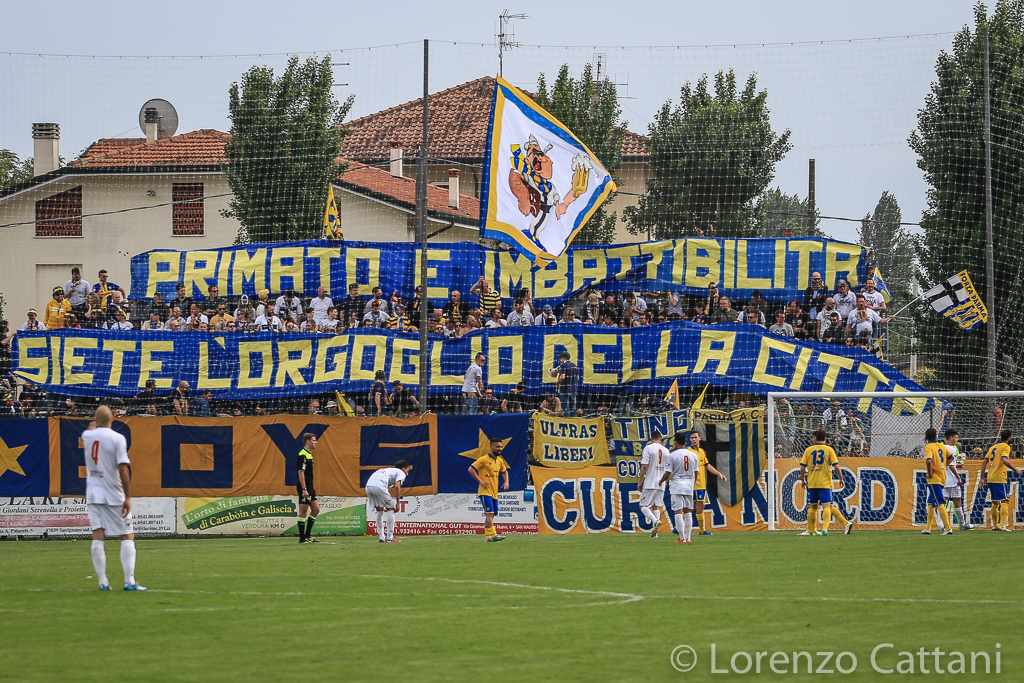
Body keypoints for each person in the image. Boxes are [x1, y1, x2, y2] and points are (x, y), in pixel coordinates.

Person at [82, 406, 146, 591]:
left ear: (96, 419)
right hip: (112, 491)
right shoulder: (117, 438)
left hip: (93, 492)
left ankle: (103, 582)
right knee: (126, 534)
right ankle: (129, 581)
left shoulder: (87, 436)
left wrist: (94, 424)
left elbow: (90, 429)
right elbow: (123, 469)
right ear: (113, 418)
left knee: (98, 534)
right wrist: (128, 496)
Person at [799, 428, 844, 535]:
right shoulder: (829, 450)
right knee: (827, 506)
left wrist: (803, 479)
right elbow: (836, 466)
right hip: (824, 483)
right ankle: (824, 529)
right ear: (825, 438)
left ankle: (811, 530)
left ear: (815, 438)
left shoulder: (808, 450)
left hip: (812, 483)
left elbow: (802, 468)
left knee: (812, 507)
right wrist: (841, 478)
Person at [659, 431, 700, 544]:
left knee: (678, 512)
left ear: (675, 441)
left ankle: (681, 538)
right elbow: (696, 473)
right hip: (689, 486)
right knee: (688, 512)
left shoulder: (672, 455)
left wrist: (661, 481)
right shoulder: (693, 455)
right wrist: (692, 482)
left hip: (677, 486)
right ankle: (688, 537)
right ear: (686, 441)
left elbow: (667, 473)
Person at [468, 437, 510, 542]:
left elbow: (504, 471)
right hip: (485, 491)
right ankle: (494, 535)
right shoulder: (483, 459)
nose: (500, 449)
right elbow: (471, 469)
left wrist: (506, 482)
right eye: (497, 447)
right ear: (491, 447)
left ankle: (488, 537)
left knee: (492, 515)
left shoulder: (500, 461)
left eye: (501, 446)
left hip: (494, 492)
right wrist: (480, 481)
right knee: (489, 513)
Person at [981, 429, 1022, 532]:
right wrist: (1015, 469)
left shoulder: (993, 447)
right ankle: (1003, 526)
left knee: (995, 502)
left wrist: (982, 478)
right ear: (1009, 438)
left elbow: (984, 463)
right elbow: (1004, 460)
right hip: (999, 477)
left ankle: (995, 526)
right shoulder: (1006, 447)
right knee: (1005, 500)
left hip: (990, 477)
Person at [688, 430, 727, 536]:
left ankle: (700, 529)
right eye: (692, 438)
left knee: (698, 505)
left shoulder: (701, 451)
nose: (694, 439)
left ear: (699, 438)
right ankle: (697, 529)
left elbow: (707, 465)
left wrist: (719, 474)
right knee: (694, 506)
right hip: (695, 484)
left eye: (695, 437)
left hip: (701, 484)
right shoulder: (689, 452)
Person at [365, 460, 414, 543]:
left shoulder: (387, 470)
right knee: (391, 509)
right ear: (403, 469)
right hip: (378, 486)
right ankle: (390, 537)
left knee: (379, 510)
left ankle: (381, 537)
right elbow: (397, 486)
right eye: (407, 471)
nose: (407, 474)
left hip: (368, 487)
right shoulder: (400, 473)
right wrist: (398, 503)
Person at [921, 427, 953, 535]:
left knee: (940, 502)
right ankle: (928, 528)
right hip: (942, 477)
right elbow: (951, 457)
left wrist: (930, 473)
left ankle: (948, 528)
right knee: (931, 502)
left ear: (926, 437)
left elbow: (929, 461)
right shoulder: (941, 446)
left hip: (934, 478)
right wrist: (943, 466)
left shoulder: (929, 447)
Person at [637, 431, 670, 537]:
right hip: (661, 482)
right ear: (660, 439)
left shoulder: (648, 448)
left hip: (650, 481)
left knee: (643, 506)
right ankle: (655, 533)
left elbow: (644, 466)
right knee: (656, 506)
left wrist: (640, 480)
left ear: (651, 439)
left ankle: (655, 521)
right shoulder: (666, 451)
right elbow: (669, 469)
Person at [942, 428, 971, 531]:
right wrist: (958, 477)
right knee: (957, 501)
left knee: (942, 502)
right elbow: (950, 466)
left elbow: (946, 464)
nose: (956, 440)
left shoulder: (940, 448)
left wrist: (956, 466)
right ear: (951, 438)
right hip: (952, 480)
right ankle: (962, 524)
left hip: (944, 479)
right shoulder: (952, 449)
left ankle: (941, 525)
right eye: (955, 438)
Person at [296, 433, 320, 544]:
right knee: (303, 512)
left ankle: (308, 536)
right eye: (314, 440)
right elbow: (301, 473)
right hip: (305, 486)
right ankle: (302, 538)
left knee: (315, 510)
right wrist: (304, 488)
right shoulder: (303, 455)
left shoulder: (309, 454)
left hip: (310, 486)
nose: (316, 442)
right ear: (308, 441)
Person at [549, 351, 579, 416]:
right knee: (573, 409)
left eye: (560, 358)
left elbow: (562, 377)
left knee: (566, 409)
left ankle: (567, 423)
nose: (559, 359)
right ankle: (574, 422)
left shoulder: (563, 365)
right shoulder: (574, 366)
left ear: (564, 358)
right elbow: (577, 378)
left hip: (565, 390)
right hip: (573, 390)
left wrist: (557, 383)